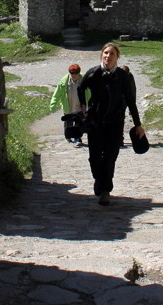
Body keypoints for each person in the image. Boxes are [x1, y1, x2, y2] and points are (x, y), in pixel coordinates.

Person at [78, 43, 145, 205]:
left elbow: (130, 101)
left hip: (115, 123)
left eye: (112, 54)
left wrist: (138, 124)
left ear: (117, 57)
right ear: (102, 54)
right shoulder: (93, 73)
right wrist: (83, 107)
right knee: (94, 157)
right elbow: (81, 88)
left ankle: (105, 190)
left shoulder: (122, 76)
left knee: (109, 157)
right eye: (106, 53)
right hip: (95, 122)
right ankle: (98, 180)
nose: (108, 56)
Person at [50, 63, 90, 146]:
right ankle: (68, 136)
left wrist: (90, 104)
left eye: (76, 74)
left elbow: (89, 93)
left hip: (80, 107)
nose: (74, 76)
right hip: (69, 107)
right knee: (69, 124)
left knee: (79, 123)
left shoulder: (83, 80)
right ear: (70, 73)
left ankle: (77, 139)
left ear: (79, 73)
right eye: (72, 74)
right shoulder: (63, 82)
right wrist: (53, 104)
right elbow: (57, 94)